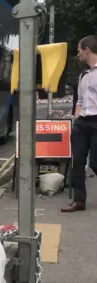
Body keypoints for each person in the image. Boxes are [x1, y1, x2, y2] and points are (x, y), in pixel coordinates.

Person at [62, 35, 97, 212]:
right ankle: (79, 201)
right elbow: (80, 101)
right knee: (78, 163)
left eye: (79, 50)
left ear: (87, 50)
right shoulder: (83, 75)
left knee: (95, 163)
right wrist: (76, 119)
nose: (78, 54)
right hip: (82, 123)